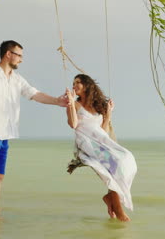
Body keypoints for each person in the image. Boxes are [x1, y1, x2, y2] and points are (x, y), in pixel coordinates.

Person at [0, 40, 67, 215]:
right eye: (19, 55)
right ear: (8, 54)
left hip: (5, 133)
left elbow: (34, 94)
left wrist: (57, 101)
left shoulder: (16, 79)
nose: (21, 60)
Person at [65, 74, 137, 222]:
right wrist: (71, 103)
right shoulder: (74, 104)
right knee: (114, 167)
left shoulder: (98, 106)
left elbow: (103, 131)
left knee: (127, 159)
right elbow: (73, 124)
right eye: (73, 83)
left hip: (101, 141)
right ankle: (118, 209)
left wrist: (108, 113)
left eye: (78, 82)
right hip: (87, 142)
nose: (74, 85)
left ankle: (111, 197)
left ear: (87, 85)